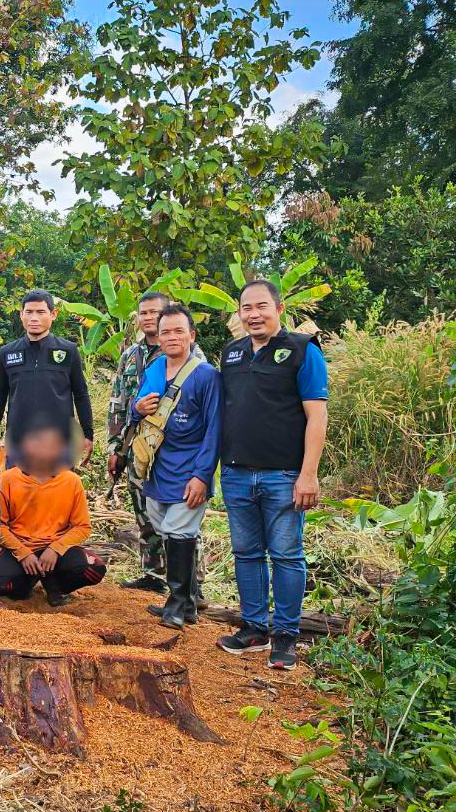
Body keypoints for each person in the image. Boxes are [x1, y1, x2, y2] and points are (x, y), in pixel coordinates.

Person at [216, 280, 328, 669]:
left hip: (283, 475)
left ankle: (285, 635)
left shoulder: (302, 350)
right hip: (235, 473)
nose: (253, 314)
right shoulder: (230, 354)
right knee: (246, 553)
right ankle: (253, 628)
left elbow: (317, 415)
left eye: (261, 306)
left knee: (286, 555)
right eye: (246, 308)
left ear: (279, 308)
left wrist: (308, 474)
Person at [128, 304, 221, 629]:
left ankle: (178, 604)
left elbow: (214, 429)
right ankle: (189, 601)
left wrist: (202, 476)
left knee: (181, 531)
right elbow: (136, 409)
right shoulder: (155, 368)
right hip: (157, 466)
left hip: (190, 468)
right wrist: (137, 408)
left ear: (192, 335)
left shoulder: (206, 375)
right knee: (165, 529)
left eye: (178, 330)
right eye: (165, 331)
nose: (171, 337)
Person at [106, 291, 206, 591]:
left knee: (183, 520)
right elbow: (118, 402)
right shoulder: (130, 355)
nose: (148, 318)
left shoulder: (191, 355)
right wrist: (115, 446)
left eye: (154, 313)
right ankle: (154, 573)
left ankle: (192, 584)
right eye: (143, 313)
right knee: (144, 512)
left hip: (178, 450)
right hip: (138, 446)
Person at [0, 422, 106, 605]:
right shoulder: (8, 479)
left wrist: (55, 549)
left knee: (94, 568)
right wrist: (23, 553)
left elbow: (82, 527)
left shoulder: (71, 481)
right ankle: (25, 585)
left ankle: (55, 586)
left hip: (56, 551)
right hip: (21, 548)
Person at [0, 290, 94, 467]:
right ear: (21, 315)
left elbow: (81, 394)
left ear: (53, 315)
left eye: (41, 312)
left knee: (58, 493)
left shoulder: (68, 351)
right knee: (18, 493)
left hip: (59, 444)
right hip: (19, 443)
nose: (34, 318)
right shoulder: (8, 353)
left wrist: (88, 435)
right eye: (29, 312)